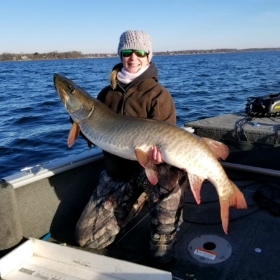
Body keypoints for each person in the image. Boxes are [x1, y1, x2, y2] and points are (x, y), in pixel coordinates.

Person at [75, 30, 187, 264]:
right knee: (86, 239)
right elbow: (93, 136)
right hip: (119, 173)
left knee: (172, 173)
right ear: (120, 54)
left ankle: (164, 233)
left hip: (152, 171)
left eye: (140, 52)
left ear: (148, 56)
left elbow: (167, 136)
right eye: (127, 52)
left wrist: (158, 157)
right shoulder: (105, 94)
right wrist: (80, 123)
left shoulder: (158, 95)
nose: (133, 57)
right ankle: (135, 202)